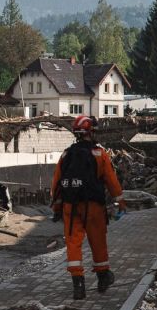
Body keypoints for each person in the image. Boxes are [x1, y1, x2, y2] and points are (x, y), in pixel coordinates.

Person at [51, 115, 125, 300]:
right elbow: (111, 181)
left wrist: (57, 207)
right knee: (98, 240)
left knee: (73, 242)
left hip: (70, 205)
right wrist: (120, 202)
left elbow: (57, 183)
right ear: (90, 132)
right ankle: (102, 277)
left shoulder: (66, 154)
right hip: (93, 205)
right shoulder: (99, 154)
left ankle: (78, 285)